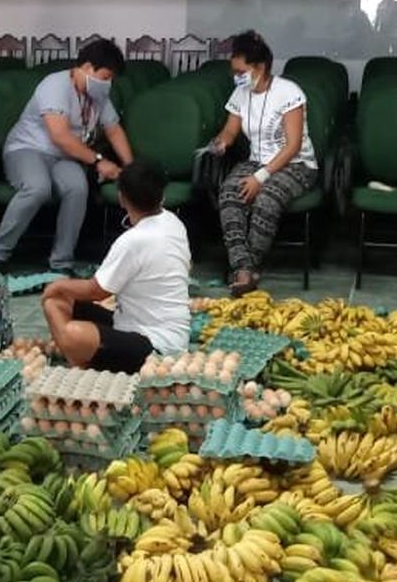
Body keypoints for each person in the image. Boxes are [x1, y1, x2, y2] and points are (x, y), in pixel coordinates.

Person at [0, 39, 134, 274]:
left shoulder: (97, 94)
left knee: (77, 188)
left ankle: (61, 262)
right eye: (105, 77)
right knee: (38, 187)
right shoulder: (55, 85)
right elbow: (60, 136)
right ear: (87, 67)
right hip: (27, 149)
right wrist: (98, 161)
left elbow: (113, 129)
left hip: (65, 157)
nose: (108, 84)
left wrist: (131, 167)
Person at [40, 160, 191, 374]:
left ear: (121, 198)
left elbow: (96, 291)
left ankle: (84, 364)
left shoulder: (133, 240)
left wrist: (57, 285)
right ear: (162, 196)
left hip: (156, 347)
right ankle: (90, 358)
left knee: (72, 329)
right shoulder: (173, 222)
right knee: (58, 303)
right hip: (144, 327)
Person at [210, 30, 318, 295]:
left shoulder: (288, 92)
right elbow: (230, 131)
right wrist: (221, 142)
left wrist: (260, 178)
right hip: (256, 160)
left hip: (296, 164)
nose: (236, 77)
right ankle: (244, 270)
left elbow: (292, 146)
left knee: (266, 199)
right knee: (229, 193)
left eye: (241, 71)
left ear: (260, 67)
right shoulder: (240, 93)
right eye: (234, 72)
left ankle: (248, 268)